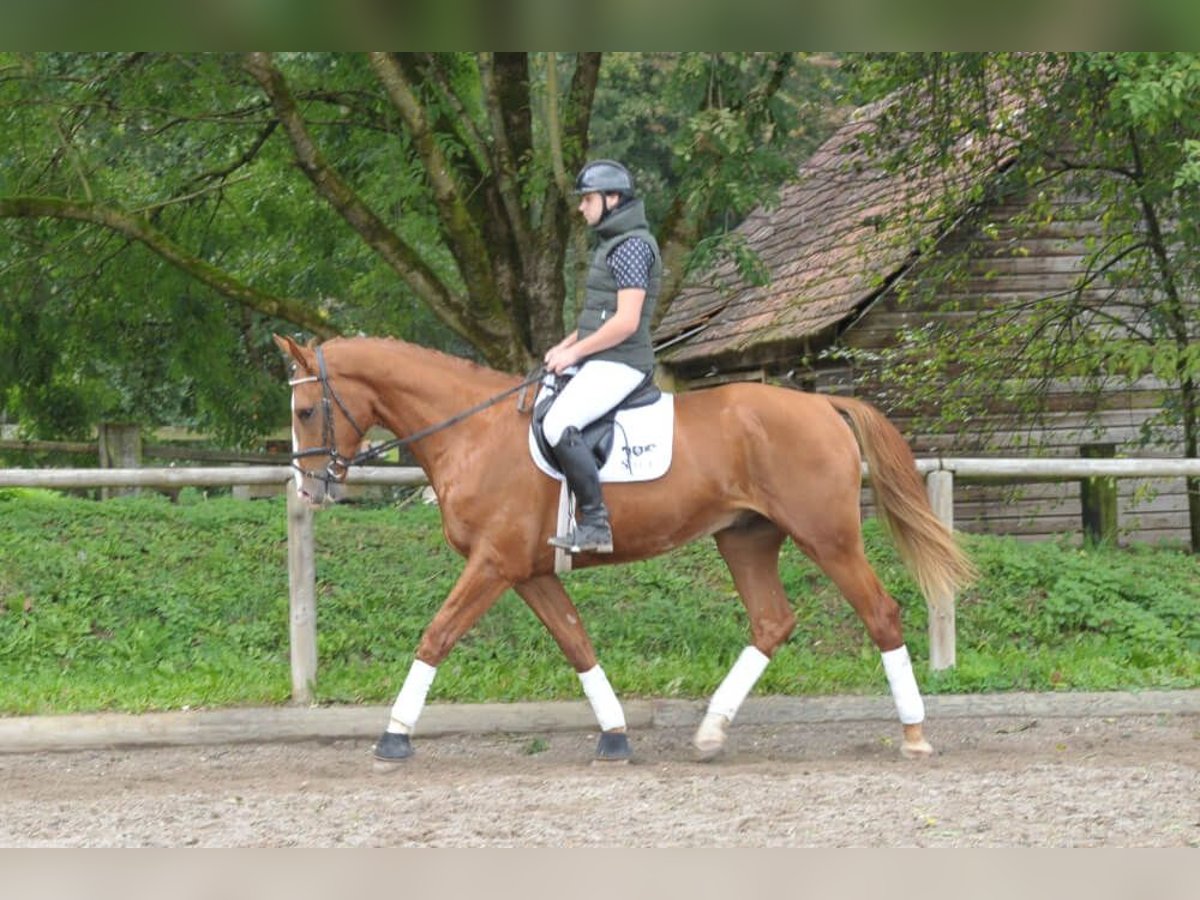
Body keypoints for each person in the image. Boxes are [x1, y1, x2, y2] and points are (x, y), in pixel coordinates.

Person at [542, 159, 663, 554]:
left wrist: (576, 351)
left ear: (612, 199)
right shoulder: (614, 243)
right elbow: (601, 317)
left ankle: (595, 523)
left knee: (559, 423)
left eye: (588, 199)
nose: (581, 208)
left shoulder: (631, 247)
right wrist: (566, 345)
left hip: (624, 361)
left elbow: (627, 322)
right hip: (605, 356)